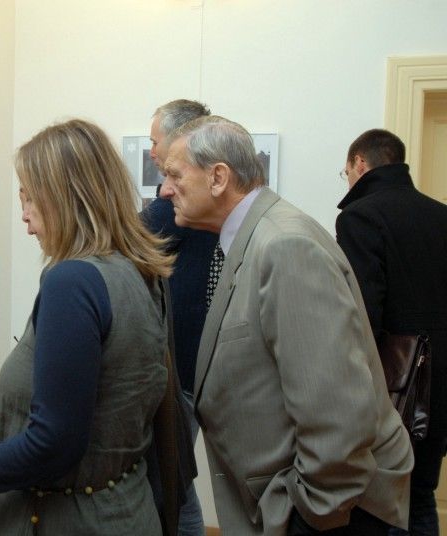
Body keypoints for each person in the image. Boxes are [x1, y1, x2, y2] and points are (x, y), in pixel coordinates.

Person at [161, 115, 414, 534]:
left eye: (173, 174)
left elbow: (337, 415)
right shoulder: (250, 238)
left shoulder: (285, 246)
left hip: (326, 516)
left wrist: (309, 515)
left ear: (219, 178)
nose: (165, 189)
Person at [0, 119, 176, 535]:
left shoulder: (72, 281)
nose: (24, 218)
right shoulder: (140, 271)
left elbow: (55, 443)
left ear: (65, 197)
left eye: (30, 199)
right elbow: (96, 402)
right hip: (127, 511)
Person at [335, 129, 447, 536]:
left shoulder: (359, 217)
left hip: (391, 389)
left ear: (360, 164)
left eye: (345, 171)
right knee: (421, 496)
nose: (347, 180)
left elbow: (362, 315)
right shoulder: (441, 214)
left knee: (377, 505)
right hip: (439, 390)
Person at [142, 99, 218, 536]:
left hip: (185, 366)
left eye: (155, 141)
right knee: (179, 486)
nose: (152, 151)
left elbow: (135, 232)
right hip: (191, 362)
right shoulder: (188, 193)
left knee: (175, 489)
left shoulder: (179, 204)